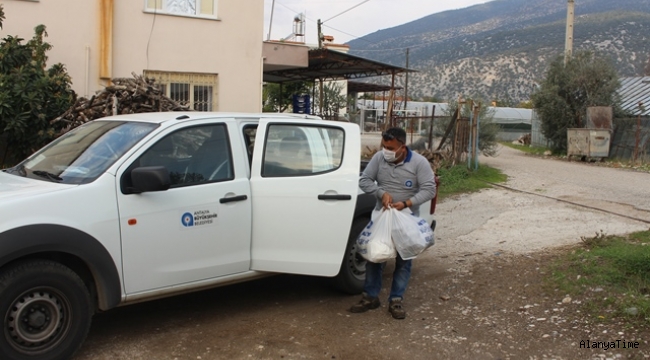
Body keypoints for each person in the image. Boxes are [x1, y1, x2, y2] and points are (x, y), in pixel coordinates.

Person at [350, 127, 436, 319]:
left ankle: (396, 300)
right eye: (384, 146)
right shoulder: (379, 159)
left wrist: (407, 203)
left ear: (402, 147)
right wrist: (381, 193)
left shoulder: (419, 163)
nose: (386, 150)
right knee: (375, 257)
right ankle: (370, 297)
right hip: (382, 216)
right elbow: (365, 180)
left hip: (407, 220)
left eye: (390, 147)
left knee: (404, 260)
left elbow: (429, 190)